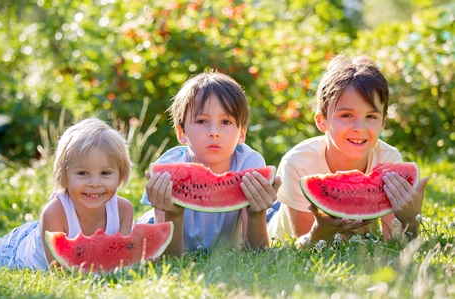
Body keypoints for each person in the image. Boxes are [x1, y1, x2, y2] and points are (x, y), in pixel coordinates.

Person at [266, 54, 430, 245]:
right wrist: (321, 232)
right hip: (279, 228)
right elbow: (303, 246)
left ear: (383, 123)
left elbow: (394, 244)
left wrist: (411, 220)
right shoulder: (298, 163)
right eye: (346, 115)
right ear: (322, 120)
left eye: (371, 116)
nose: (360, 127)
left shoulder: (388, 159)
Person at [0, 118, 134, 269]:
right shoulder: (55, 212)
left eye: (106, 173)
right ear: (63, 176)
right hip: (22, 254)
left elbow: (121, 259)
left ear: (120, 176)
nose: (94, 183)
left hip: (33, 236)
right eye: (82, 173)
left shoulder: (124, 210)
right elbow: (58, 270)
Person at [136, 71, 281, 256]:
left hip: (230, 249)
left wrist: (256, 214)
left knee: (276, 210)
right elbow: (168, 259)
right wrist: (172, 213)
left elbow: (256, 254)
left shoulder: (249, 163)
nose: (214, 132)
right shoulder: (167, 167)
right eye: (202, 121)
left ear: (242, 134)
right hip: (168, 237)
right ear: (181, 132)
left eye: (226, 121)